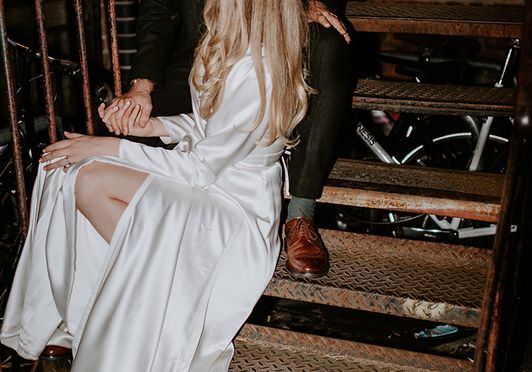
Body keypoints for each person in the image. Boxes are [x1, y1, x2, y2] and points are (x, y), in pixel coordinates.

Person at [0, 0, 311, 372]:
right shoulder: (230, 48)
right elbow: (202, 130)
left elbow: (199, 166)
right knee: (72, 175)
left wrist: (109, 145)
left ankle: (141, 297)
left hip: (234, 215)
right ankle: (138, 293)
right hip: (206, 191)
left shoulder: (259, 67)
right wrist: (150, 128)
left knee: (90, 176)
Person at [103, 0, 351, 279]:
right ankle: (150, 264)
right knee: (125, 139)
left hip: (273, 31)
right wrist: (141, 85)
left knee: (329, 44)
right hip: (203, 52)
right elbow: (157, 8)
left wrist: (291, 8)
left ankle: (301, 211)